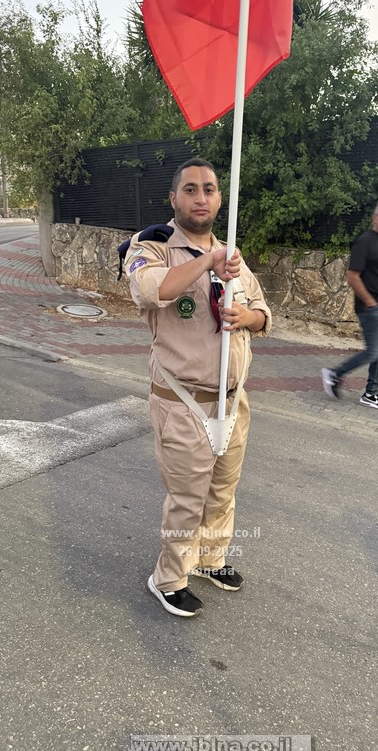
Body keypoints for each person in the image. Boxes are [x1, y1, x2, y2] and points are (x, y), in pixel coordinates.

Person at [124, 158, 271, 618]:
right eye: (190, 189)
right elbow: (152, 290)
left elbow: (263, 312)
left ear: (220, 198)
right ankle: (168, 578)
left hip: (232, 402)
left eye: (209, 188)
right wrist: (206, 262)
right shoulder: (152, 246)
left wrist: (248, 317)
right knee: (187, 500)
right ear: (174, 198)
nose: (201, 197)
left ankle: (210, 559)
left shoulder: (232, 256)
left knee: (223, 491)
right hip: (182, 402)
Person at [321, 200, 378, 411]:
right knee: (374, 352)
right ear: (375, 217)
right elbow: (353, 276)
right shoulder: (365, 242)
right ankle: (334, 374)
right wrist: (371, 303)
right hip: (371, 309)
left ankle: (371, 394)